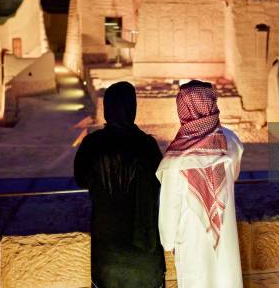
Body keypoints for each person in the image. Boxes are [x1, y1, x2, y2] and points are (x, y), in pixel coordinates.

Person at [74, 81, 165, 288]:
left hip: (108, 254)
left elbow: (81, 178)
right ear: (132, 108)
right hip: (144, 255)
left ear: (107, 108)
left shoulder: (92, 144)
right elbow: (160, 181)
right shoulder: (146, 145)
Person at [157, 80, 244, 288]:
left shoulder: (177, 158)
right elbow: (234, 177)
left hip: (192, 240)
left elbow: (171, 206)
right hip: (226, 234)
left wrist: (167, 242)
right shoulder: (231, 142)